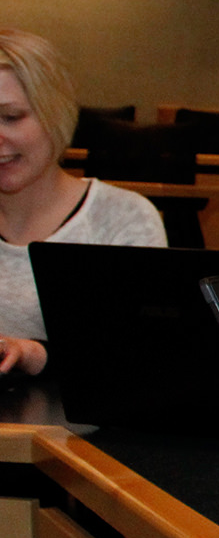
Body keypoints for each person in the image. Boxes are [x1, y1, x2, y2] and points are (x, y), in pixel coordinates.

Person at [0, 28, 165, 377]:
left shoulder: (124, 218)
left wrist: (34, 354)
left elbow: (141, 359)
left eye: (11, 117)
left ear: (53, 114)